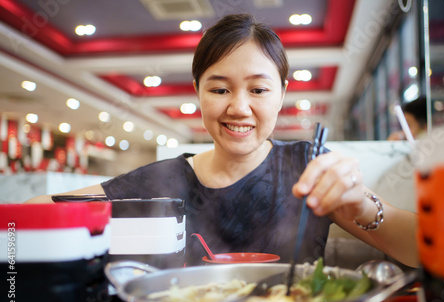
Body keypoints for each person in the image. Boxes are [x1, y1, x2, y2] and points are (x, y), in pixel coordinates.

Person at [26, 14, 418, 268]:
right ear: (198, 91)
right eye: (219, 90)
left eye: (259, 90)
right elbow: (32, 212)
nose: (239, 108)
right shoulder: (164, 181)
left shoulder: (307, 166)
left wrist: (364, 205)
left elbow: (419, 249)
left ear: (281, 93)